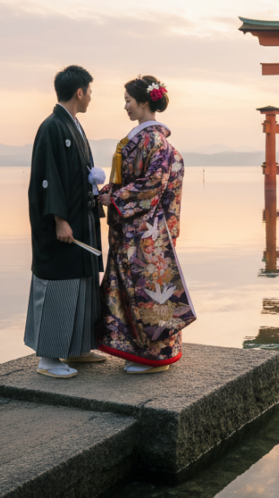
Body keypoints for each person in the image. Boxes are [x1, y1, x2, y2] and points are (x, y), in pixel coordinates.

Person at [97, 75, 196, 374]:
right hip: (146, 229)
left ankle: (154, 357)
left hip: (144, 232)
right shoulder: (151, 139)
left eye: (128, 101)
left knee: (148, 292)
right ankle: (146, 352)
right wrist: (108, 193)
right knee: (145, 291)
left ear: (143, 102)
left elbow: (153, 184)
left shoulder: (151, 139)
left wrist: (116, 198)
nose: (125, 106)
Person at [24, 65, 108, 378]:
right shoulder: (52, 127)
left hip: (79, 221)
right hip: (64, 226)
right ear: (79, 92)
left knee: (81, 284)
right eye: (90, 91)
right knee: (59, 284)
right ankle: (48, 358)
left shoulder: (72, 125)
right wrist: (59, 219)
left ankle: (76, 349)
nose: (91, 98)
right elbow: (49, 179)